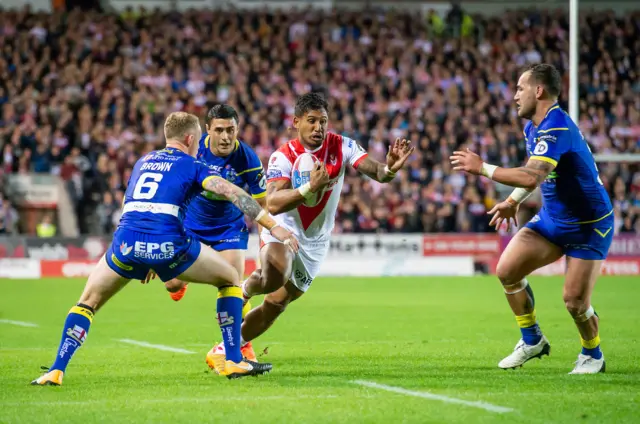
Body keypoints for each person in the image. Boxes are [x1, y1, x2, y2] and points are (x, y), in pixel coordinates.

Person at [31, 112, 298, 386]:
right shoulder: (193, 165)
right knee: (231, 278)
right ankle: (232, 359)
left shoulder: (142, 161)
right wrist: (272, 226)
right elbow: (233, 193)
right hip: (167, 243)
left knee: (87, 301)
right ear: (191, 138)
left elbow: (130, 203)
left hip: (125, 242)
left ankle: (56, 369)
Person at [205, 92, 414, 372]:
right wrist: (308, 189)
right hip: (283, 229)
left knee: (277, 304)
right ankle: (243, 291)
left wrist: (390, 168)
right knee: (276, 273)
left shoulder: (341, 145)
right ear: (296, 122)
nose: (319, 128)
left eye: (323, 122)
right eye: (312, 121)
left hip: (316, 241)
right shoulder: (283, 156)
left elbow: (376, 171)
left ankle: (226, 347)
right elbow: (273, 204)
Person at [450, 63, 612, 374]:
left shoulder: (557, 127)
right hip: (552, 219)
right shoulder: (533, 127)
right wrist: (512, 202)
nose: (514, 96)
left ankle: (593, 354)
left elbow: (531, 175)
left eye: (519, 88)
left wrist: (483, 167)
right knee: (507, 270)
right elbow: (539, 176)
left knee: (575, 302)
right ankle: (532, 339)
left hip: (589, 225)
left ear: (538, 91)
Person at [155, 104, 266, 361]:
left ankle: (241, 344)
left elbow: (262, 205)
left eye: (231, 130)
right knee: (173, 283)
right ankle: (178, 285)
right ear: (207, 130)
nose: (226, 136)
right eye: (219, 130)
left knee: (234, 284)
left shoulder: (248, 160)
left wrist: (264, 247)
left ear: (238, 129)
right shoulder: (194, 151)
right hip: (191, 224)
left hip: (229, 227)